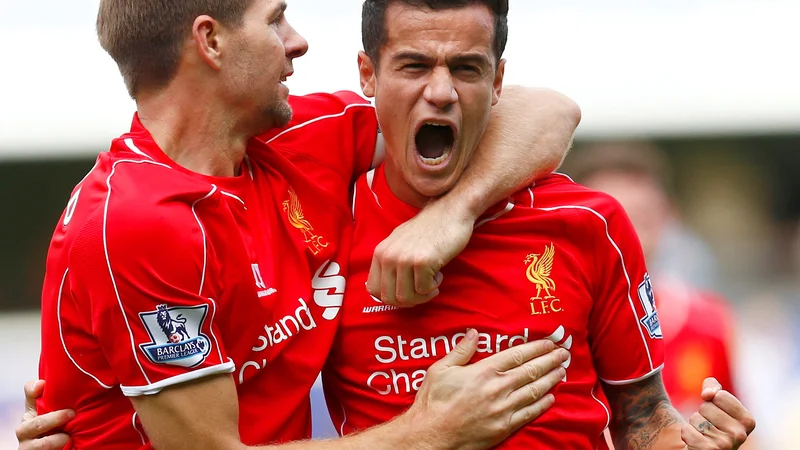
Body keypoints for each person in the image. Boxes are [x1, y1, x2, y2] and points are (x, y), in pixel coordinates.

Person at [16, 0, 582, 449]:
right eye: (276, 18)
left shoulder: (298, 138)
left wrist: (450, 214)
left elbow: (549, 111)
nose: (299, 41)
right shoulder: (137, 220)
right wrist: (430, 431)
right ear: (210, 41)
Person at [320, 1, 755, 449]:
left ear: (498, 82)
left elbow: (643, 418)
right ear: (368, 73)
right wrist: (428, 433)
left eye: (467, 69)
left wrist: (690, 442)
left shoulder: (588, 222)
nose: (442, 91)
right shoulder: (323, 229)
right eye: (414, 66)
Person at [565, 142, 740, 418]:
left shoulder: (708, 322)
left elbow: (745, 430)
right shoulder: (548, 328)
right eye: (611, 219)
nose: (628, 235)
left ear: (669, 216)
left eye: (642, 218)